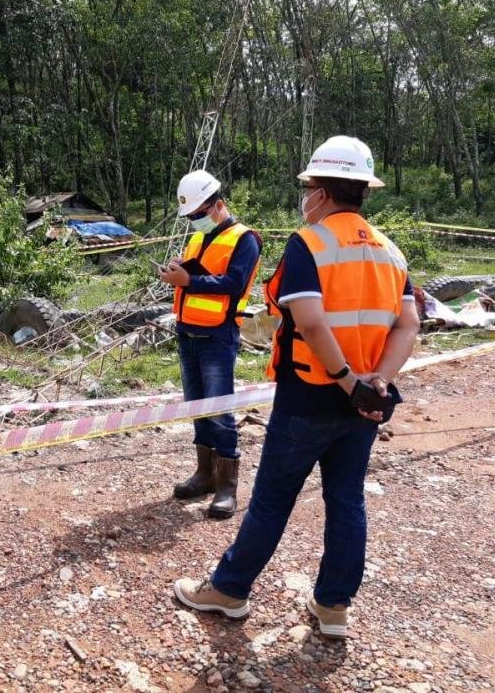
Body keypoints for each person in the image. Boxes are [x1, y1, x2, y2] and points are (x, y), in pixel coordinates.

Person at [172, 135, 420, 638]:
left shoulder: (310, 243)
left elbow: (308, 319)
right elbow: (408, 323)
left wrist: (347, 380)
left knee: (272, 498)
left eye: (308, 188)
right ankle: (333, 608)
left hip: (310, 392)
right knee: (347, 500)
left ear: (323, 194)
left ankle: (230, 590)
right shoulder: (391, 253)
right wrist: (377, 384)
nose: (305, 198)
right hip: (363, 403)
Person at [160, 170, 262, 519]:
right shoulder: (198, 239)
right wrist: (178, 270)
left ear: (218, 205)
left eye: (198, 215)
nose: (194, 222)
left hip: (218, 336)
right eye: (189, 218)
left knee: (219, 411)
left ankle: (226, 486)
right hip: (188, 332)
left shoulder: (244, 239)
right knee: (197, 407)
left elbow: (234, 283)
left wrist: (189, 279)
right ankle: (204, 474)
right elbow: (198, 274)